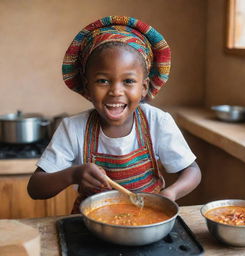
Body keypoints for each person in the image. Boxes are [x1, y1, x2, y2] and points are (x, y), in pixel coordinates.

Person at [27, 16, 201, 213]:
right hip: (90, 226)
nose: (116, 91)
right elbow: (35, 188)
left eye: (128, 81)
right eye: (103, 81)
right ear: (87, 87)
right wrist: (73, 175)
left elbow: (192, 171)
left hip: (147, 221)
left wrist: (171, 193)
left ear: (144, 88)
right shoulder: (74, 128)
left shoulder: (157, 122)